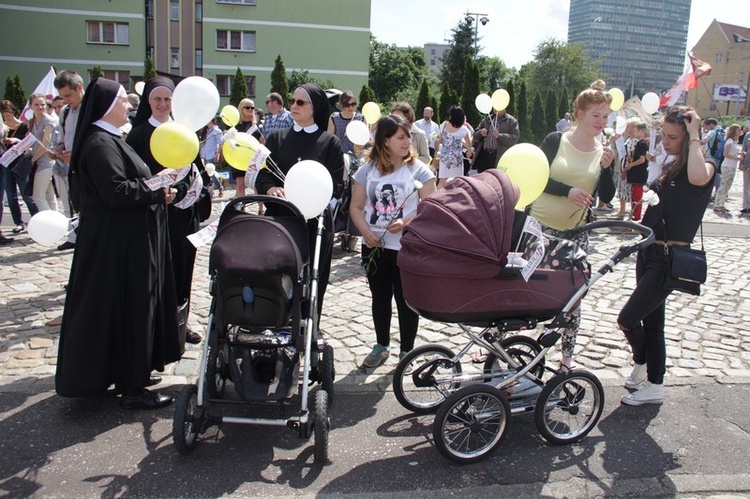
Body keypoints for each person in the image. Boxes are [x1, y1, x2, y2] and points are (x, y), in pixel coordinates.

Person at [55, 77, 181, 409]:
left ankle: (129, 371)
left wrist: (159, 184)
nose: (128, 105)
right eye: (124, 101)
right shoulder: (99, 143)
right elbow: (117, 191)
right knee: (130, 307)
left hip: (123, 239)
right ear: (108, 106)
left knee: (125, 308)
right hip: (117, 244)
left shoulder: (110, 138)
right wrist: (157, 191)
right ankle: (132, 389)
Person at [618, 107, 715, 406]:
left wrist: (696, 134)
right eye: (665, 134)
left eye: (674, 137)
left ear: (689, 139)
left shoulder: (703, 166)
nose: (666, 141)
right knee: (653, 322)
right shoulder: (671, 166)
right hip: (649, 251)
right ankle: (654, 380)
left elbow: (699, 176)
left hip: (668, 257)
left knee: (628, 319)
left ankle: (646, 364)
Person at [529, 80, 615, 371]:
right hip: (540, 227)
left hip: (576, 234)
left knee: (573, 297)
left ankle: (566, 359)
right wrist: (567, 191)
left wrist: (608, 168)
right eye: (596, 115)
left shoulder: (603, 151)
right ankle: (513, 351)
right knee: (525, 291)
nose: (602, 122)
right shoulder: (556, 140)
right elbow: (536, 178)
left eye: (606, 116)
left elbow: (608, 196)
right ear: (579, 113)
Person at [349, 114, 436, 367]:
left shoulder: (419, 169)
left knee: (406, 300)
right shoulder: (367, 170)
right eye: (401, 137)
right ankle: (382, 345)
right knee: (380, 297)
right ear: (385, 141)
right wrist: (366, 231)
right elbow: (356, 207)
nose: (407, 141)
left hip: (407, 248)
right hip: (375, 247)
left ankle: (407, 351)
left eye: (409, 136)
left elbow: (431, 206)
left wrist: (406, 222)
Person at [126, 76, 203, 345]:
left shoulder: (184, 131)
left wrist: (180, 193)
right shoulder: (137, 136)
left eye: (167, 99)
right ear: (148, 102)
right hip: (149, 215)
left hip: (181, 214)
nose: (162, 104)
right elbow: (131, 180)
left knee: (182, 268)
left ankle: (182, 321)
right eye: (157, 99)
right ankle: (157, 324)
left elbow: (197, 174)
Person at [256, 82, 344, 317]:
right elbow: (263, 174)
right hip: (281, 219)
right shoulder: (276, 138)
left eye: (300, 102)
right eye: (292, 101)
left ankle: (309, 326)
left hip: (315, 222)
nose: (293, 106)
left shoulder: (329, 142)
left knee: (313, 279)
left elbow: (337, 185)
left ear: (314, 107)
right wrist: (272, 187)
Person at [51, 69, 86, 251]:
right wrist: (57, 149)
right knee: (76, 206)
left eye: (68, 95)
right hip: (71, 169)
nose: (65, 100)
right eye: (62, 96)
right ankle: (76, 238)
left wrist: (78, 154)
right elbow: (62, 140)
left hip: (90, 168)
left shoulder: (92, 109)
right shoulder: (65, 112)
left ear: (79, 87)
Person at [1, 100, 38, 233]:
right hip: (7, 164)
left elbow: (30, 144)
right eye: (4, 114)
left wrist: (17, 141)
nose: (6, 116)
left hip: (21, 163)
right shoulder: (2, 128)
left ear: (14, 111)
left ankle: (36, 220)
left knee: (27, 194)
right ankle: (19, 222)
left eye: (8, 113)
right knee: (11, 195)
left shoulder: (23, 126)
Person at [27, 93, 59, 212]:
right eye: (37, 104)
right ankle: (56, 224)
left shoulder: (48, 121)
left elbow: (46, 144)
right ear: (31, 106)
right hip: (38, 162)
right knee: (49, 196)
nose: (40, 107)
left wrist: (32, 159)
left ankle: (49, 223)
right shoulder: (31, 122)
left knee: (38, 196)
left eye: (43, 104)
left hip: (46, 162)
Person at [470, 107, 520, 174]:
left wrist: (500, 136)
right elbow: (475, 135)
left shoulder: (511, 121)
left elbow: (514, 139)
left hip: (498, 156)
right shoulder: (488, 119)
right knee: (482, 179)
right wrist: (481, 132)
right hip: (485, 155)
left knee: (495, 179)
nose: (496, 109)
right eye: (494, 107)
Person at [233, 98, 264, 197]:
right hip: (239, 159)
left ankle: (261, 208)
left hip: (253, 159)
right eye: (247, 107)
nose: (250, 110)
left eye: (252, 108)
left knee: (256, 186)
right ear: (241, 109)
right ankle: (241, 208)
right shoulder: (235, 126)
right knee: (240, 186)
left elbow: (262, 141)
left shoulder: (257, 125)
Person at [435, 106, 473, 189]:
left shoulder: (444, 125)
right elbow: (469, 147)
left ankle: (435, 198)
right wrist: (459, 142)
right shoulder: (464, 130)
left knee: (442, 181)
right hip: (457, 158)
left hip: (445, 158)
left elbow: (439, 139)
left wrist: (437, 151)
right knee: (457, 181)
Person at [713, 124, 744, 213]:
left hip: (732, 165)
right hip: (727, 165)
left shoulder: (735, 142)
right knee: (723, 185)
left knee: (727, 186)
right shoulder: (729, 141)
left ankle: (721, 204)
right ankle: (717, 204)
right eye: (738, 130)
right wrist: (737, 158)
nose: (740, 132)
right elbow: (725, 154)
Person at [622, 122, 649, 221]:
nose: (635, 132)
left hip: (638, 172)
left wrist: (630, 165)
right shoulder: (643, 143)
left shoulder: (640, 143)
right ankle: (634, 212)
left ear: (641, 131)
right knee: (635, 194)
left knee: (637, 195)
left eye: (637, 130)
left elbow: (642, 159)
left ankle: (636, 215)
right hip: (638, 172)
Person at [328, 90, 365, 155]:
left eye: (353, 104)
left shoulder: (361, 119)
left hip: (357, 158)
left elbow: (365, 140)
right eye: (347, 105)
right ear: (342, 104)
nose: (350, 107)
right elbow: (330, 140)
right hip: (340, 156)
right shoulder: (334, 119)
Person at [200, 116, 224, 197]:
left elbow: (220, 143)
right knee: (206, 174)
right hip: (204, 154)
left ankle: (220, 187)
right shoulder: (205, 131)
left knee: (211, 173)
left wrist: (218, 153)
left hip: (211, 154)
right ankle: (209, 191)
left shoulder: (216, 131)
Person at [741, 127, 750, 215]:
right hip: (747, 164)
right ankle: (746, 206)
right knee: (746, 186)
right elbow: (743, 150)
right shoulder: (747, 135)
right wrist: (741, 162)